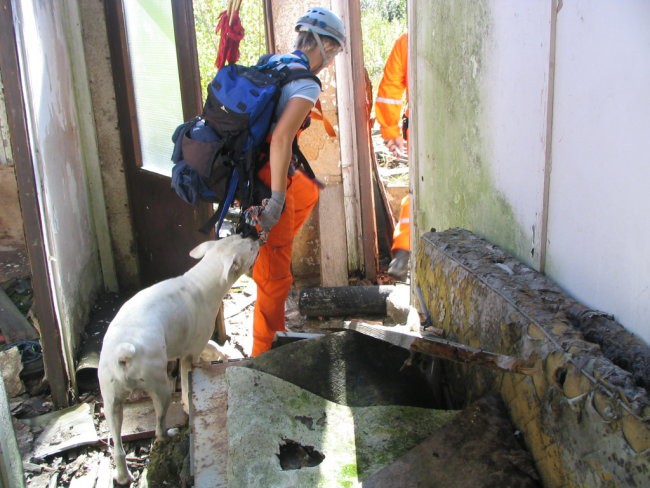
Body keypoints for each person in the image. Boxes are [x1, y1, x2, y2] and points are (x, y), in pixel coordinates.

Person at [251, 7, 346, 356]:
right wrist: (276, 199)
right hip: (267, 178)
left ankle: (268, 251)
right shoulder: (305, 83)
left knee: (307, 190)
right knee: (277, 280)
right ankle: (264, 359)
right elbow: (280, 138)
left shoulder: (275, 63)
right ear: (318, 43)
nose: (331, 60)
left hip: (258, 170)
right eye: (332, 50)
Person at [374, 32, 410, 281]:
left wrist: (391, 131)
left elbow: (389, 89)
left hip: (423, 131)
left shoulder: (409, 39)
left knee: (420, 194)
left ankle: (404, 253)